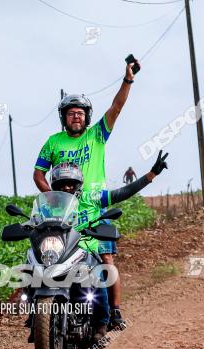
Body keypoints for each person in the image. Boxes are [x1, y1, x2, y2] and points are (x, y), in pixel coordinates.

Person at [33, 57, 140, 329]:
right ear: (64, 118)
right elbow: (38, 174)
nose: (76, 116)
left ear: (87, 117)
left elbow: (117, 107)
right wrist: (52, 199)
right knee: (47, 256)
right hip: (62, 212)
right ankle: (40, 311)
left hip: (94, 210)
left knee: (105, 260)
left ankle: (113, 312)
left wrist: (127, 80)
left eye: (80, 112)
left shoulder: (97, 136)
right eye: (71, 112)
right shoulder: (52, 142)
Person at [47, 153, 169, 337]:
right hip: (61, 252)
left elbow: (121, 193)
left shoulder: (91, 197)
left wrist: (151, 175)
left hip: (87, 250)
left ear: (78, 184)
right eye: (62, 184)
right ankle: (36, 316)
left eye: (71, 183)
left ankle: (101, 324)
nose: (67, 187)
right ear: (55, 187)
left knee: (98, 277)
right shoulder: (52, 205)